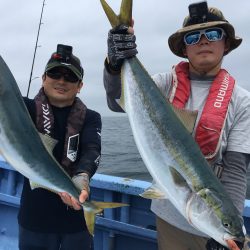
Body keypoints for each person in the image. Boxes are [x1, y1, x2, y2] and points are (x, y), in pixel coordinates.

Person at [103, 1, 250, 250]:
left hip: (216, 225)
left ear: (226, 44)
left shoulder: (242, 101)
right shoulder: (163, 84)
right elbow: (117, 102)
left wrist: (227, 230)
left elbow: (236, 170)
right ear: (184, 48)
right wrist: (114, 63)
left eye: (213, 34)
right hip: (170, 220)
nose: (204, 41)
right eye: (194, 37)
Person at [18, 44, 102, 250]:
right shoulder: (24, 109)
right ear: (44, 77)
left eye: (70, 77)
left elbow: (92, 149)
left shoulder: (91, 117)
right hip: (33, 218)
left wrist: (82, 177)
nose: (62, 81)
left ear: (80, 85)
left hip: (76, 217)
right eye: (55, 73)